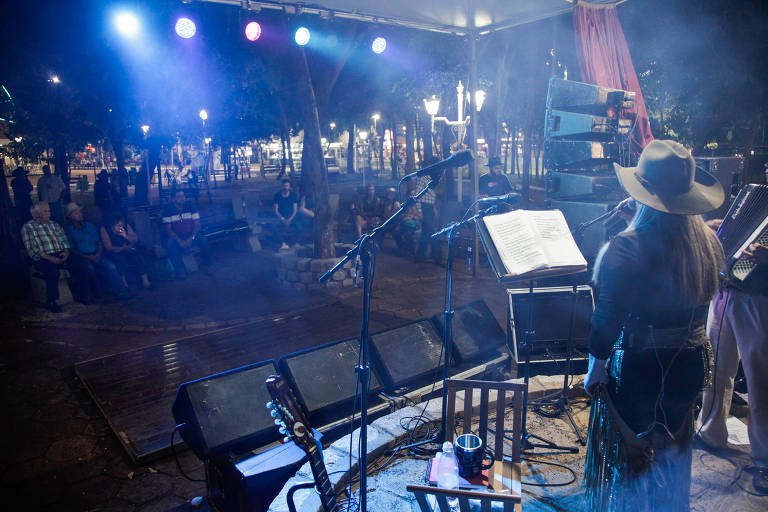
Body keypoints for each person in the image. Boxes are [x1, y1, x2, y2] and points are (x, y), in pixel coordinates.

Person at [583, 140, 725, 511]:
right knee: (674, 456)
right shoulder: (708, 243)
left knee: (630, 462)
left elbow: (605, 324)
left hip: (639, 371)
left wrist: (595, 370)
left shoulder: (625, 247)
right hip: (690, 366)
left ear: (642, 193)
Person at [697, 227, 768, 494]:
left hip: (761, 299)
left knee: (760, 381)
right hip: (726, 292)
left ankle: (764, 460)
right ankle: (710, 433)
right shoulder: (755, 196)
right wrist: (721, 230)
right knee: (715, 368)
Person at [21, 202, 93, 311]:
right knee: (52, 272)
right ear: (36, 214)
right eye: (45, 211)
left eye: (49, 210)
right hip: (43, 257)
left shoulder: (54, 224)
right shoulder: (28, 227)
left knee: (80, 263)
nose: (49, 213)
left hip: (60, 253)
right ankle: (52, 301)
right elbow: (32, 249)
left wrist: (66, 252)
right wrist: (51, 258)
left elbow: (64, 241)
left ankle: (83, 296)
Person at [64, 203, 128, 298]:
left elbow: (99, 242)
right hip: (82, 256)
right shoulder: (68, 230)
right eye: (76, 213)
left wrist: (98, 254)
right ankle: (97, 294)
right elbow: (72, 248)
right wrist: (87, 257)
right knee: (90, 269)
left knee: (111, 266)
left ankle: (120, 291)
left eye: (79, 212)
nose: (80, 214)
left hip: (96, 253)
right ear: (70, 216)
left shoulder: (89, 226)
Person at [162, 189, 212, 276]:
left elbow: (197, 225)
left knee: (204, 240)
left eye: (183, 196)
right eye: (179, 196)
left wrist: (190, 239)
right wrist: (179, 241)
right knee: (170, 245)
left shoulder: (190, 206)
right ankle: (180, 269)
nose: (182, 198)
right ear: (173, 199)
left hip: (191, 235)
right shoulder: (167, 209)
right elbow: (168, 229)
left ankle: (208, 265)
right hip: (176, 236)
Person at [100, 214, 152, 289]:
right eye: (118, 225)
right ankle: (124, 284)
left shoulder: (125, 227)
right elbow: (108, 246)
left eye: (122, 224)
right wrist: (121, 248)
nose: (121, 226)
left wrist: (125, 236)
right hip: (115, 251)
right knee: (119, 259)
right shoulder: (105, 229)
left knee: (137, 255)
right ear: (113, 224)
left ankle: (145, 281)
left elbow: (135, 239)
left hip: (128, 249)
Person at [415, 165, 442, 264]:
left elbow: (432, 195)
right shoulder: (423, 178)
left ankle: (419, 256)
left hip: (429, 207)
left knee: (426, 233)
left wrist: (434, 207)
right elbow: (417, 195)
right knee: (432, 232)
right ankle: (437, 257)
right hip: (424, 207)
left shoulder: (433, 178)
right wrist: (419, 210)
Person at [273, 179, 298, 249]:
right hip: (280, 217)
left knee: (299, 226)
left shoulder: (293, 195)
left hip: (291, 217)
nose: (285, 187)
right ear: (281, 187)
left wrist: (290, 219)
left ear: (289, 187)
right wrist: (283, 219)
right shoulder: (277, 196)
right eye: (284, 186)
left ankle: (294, 243)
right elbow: (276, 210)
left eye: (287, 186)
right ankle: (282, 243)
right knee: (274, 227)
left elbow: (295, 210)